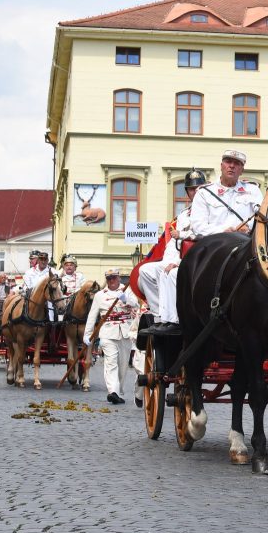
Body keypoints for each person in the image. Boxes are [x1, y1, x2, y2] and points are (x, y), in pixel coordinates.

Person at [138, 169, 206, 338]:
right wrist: (171, 260)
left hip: (199, 258)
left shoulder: (209, 209)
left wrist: (178, 262)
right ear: (187, 192)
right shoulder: (183, 215)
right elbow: (175, 244)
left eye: (199, 188)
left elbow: (205, 236)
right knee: (144, 271)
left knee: (167, 272)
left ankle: (174, 319)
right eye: (191, 189)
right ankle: (159, 316)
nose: (195, 191)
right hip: (179, 256)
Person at [84, 269, 140, 405]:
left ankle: (118, 390)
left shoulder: (128, 290)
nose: (111, 281)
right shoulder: (99, 295)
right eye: (109, 278)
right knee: (111, 363)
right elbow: (92, 316)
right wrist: (87, 334)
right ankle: (112, 392)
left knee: (123, 365)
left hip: (125, 332)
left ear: (119, 278)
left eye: (114, 278)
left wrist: (126, 299)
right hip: (108, 332)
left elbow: (137, 305)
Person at [190, 150, 263, 238]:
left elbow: (262, 217)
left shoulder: (253, 190)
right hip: (215, 243)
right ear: (221, 166)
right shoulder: (204, 193)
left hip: (246, 243)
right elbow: (197, 225)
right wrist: (222, 230)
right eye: (228, 162)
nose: (232, 166)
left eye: (236, 163)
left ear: (242, 170)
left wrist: (248, 227)